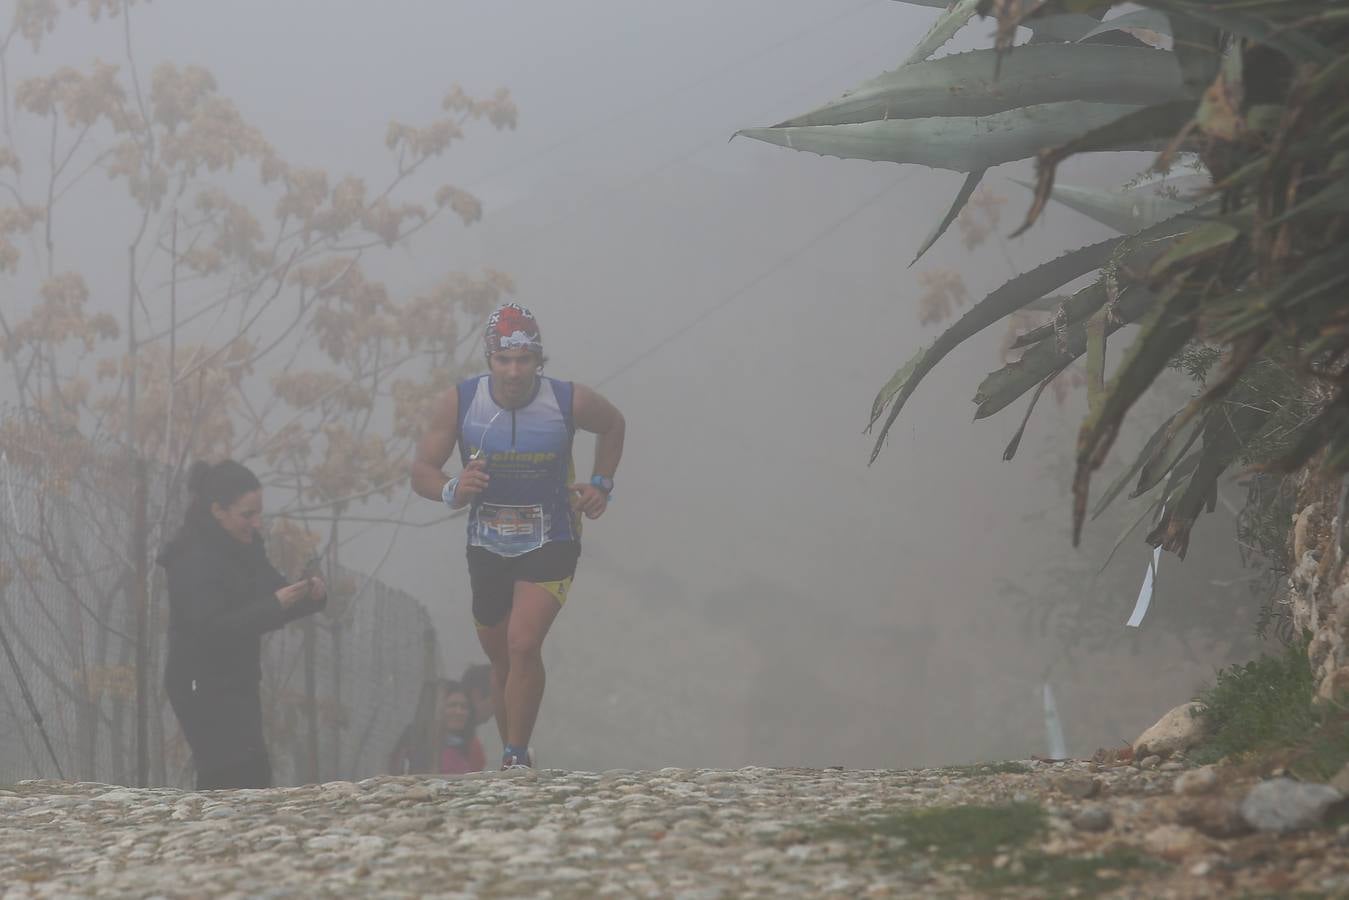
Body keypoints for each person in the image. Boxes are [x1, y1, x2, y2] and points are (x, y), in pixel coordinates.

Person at [410, 302, 626, 769]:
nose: (513, 371)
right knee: (501, 659)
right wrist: (453, 488)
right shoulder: (460, 402)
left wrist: (601, 484)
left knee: (523, 643)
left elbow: (613, 425)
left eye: (524, 360)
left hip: (552, 536)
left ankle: (513, 759)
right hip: (487, 543)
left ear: (538, 361)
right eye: (504, 360)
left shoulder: (567, 400)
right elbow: (421, 471)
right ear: (489, 359)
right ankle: (515, 753)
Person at [157, 460, 326, 790]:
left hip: (238, 680)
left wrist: (309, 596)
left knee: (250, 772)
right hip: (199, 685)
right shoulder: (190, 557)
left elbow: (270, 595)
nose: (256, 523)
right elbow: (210, 629)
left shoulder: (246, 546)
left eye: (258, 513)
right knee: (229, 774)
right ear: (218, 510)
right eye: (247, 514)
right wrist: (275, 604)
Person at [387, 679, 486, 775]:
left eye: (464, 707)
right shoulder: (414, 738)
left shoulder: (472, 745)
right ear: (436, 709)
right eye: (452, 705)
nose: (459, 712)